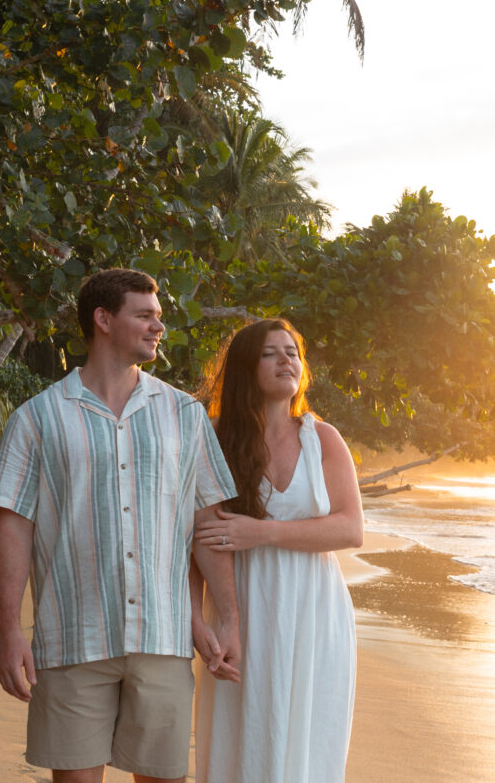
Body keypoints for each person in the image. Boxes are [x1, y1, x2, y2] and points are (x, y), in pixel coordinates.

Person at [0, 268, 241, 783]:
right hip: (72, 637)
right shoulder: (37, 417)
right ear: (103, 320)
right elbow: (13, 529)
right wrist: (9, 631)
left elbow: (207, 523)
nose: (157, 327)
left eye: (159, 317)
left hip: (162, 638)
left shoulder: (184, 413)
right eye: (144, 315)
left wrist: (228, 614)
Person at [192, 317, 364, 783]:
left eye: (292, 352)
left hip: (315, 613)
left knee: (310, 743)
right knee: (241, 737)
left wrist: (260, 533)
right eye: (271, 352)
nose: (286, 359)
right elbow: (193, 540)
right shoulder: (213, 437)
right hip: (243, 605)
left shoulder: (322, 438)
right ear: (248, 368)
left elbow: (350, 529)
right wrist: (197, 619)